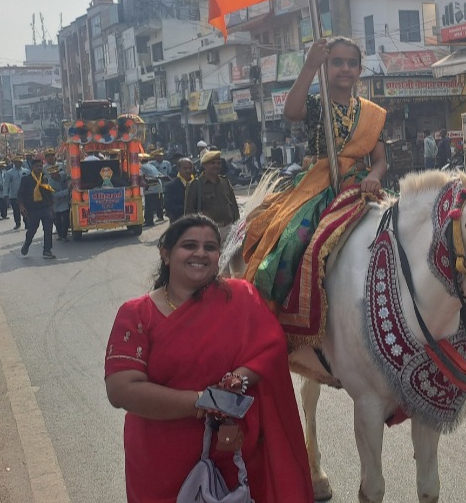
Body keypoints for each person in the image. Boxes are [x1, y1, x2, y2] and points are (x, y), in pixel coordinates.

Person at [104, 215, 314, 503]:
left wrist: (237, 379)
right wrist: (204, 401)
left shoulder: (240, 297)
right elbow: (121, 389)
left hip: (231, 453)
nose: (201, 253)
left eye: (210, 247)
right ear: (166, 254)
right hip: (160, 459)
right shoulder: (137, 314)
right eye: (189, 245)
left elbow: (270, 347)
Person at [240, 36, 387, 383]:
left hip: (359, 184)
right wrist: (309, 65)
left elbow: (380, 160)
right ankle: (272, 322)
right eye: (336, 62)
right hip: (318, 184)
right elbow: (291, 112)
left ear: (360, 69)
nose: (345, 69)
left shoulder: (372, 113)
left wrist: (374, 177)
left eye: (351, 63)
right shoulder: (316, 104)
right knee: (291, 241)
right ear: (326, 67)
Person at [184, 151, 239, 245]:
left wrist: (237, 225)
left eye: (218, 163)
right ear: (204, 165)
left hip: (229, 228)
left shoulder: (225, 182)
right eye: (212, 163)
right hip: (208, 230)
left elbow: (234, 206)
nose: (216, 166)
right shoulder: (196, 185)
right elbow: (188, 212)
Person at [18, 155, 56, 259]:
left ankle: (47, 250)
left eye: (41, 166)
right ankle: (27, 244)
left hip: (45, 208)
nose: (39, 168)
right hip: (32, 209)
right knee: (32, 229)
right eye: (37, 166)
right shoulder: (26, 179)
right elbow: (20, 194)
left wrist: (52, 207)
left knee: (48, 229)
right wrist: (21, 206)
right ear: (32, 167)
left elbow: (48, 193)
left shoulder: (44, 178)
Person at [165, 157, 194, 223]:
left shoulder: (197, 183)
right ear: (178, 169)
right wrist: (186, 210)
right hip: (179, 221)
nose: (188, 171)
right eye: (185, 168)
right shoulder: (171, 186)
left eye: (190, 168)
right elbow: (168, 205)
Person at [140, 154, 165, 227]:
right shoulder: (152, 166)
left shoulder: (142, 167)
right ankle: (160, 217)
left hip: (150, 188)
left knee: (149, 206)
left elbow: (141, 177)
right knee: (158, 203)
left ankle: (149, 221)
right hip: (158, 187)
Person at [48, 165, 71, 241]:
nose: (55, 174)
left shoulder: (63, 175)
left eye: (56, 172)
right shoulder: (50, 183)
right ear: (50, 174)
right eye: (53, 173)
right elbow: (54, 195)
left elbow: (69, 177)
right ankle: (60, 234)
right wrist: (67, 191)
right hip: (56, 203)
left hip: (65, 202)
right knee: (57, 221)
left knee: (66, 219)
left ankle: (64, 235)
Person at [4, 157, 25, 230]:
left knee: (26, 209)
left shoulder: (26, 171)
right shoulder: (9, 173)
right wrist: (5, 195)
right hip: (14, 195)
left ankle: (27, 223)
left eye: (20, 162)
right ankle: (17, 223)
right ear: (14, 163)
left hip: (24, 195)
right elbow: (6, 184)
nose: (19, 163)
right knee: (16, 210)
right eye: (17, 162)